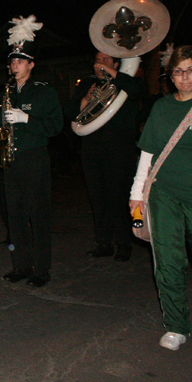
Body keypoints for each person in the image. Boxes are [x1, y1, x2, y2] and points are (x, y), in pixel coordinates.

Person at [129, 44, 192, 351]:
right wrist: (137, 196)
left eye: (191, 70)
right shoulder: (161, 108)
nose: (185, 78)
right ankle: (176, 325)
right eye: (178, 71)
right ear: (170, 75)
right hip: (164, 195)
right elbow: (147, 155)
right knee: (168, 261)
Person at [0, 15, 63, 288]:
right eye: (12, 61)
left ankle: (42, 268)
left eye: (20, 61)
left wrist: (27, 120)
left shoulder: (43, 91)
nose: (15, 65)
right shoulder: (6, 93)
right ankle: (21, 266)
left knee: (37, 215)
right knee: (14, 216)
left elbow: (56, 125)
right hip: (10, 160)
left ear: (31, 64)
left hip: (34, 158)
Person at [64, 51, 145, 261]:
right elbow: (70, 112)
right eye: (97, 60)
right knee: (98, 198)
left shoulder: (125, 82)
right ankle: (104, 242)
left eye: (106, 61)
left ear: (117, 64)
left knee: (118, 198)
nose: (99, 64)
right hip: (92, 149)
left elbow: (138, 92)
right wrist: (85, 99)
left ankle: (124, 244)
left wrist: (111, 73)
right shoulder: (87, 84)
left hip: (119, 150)